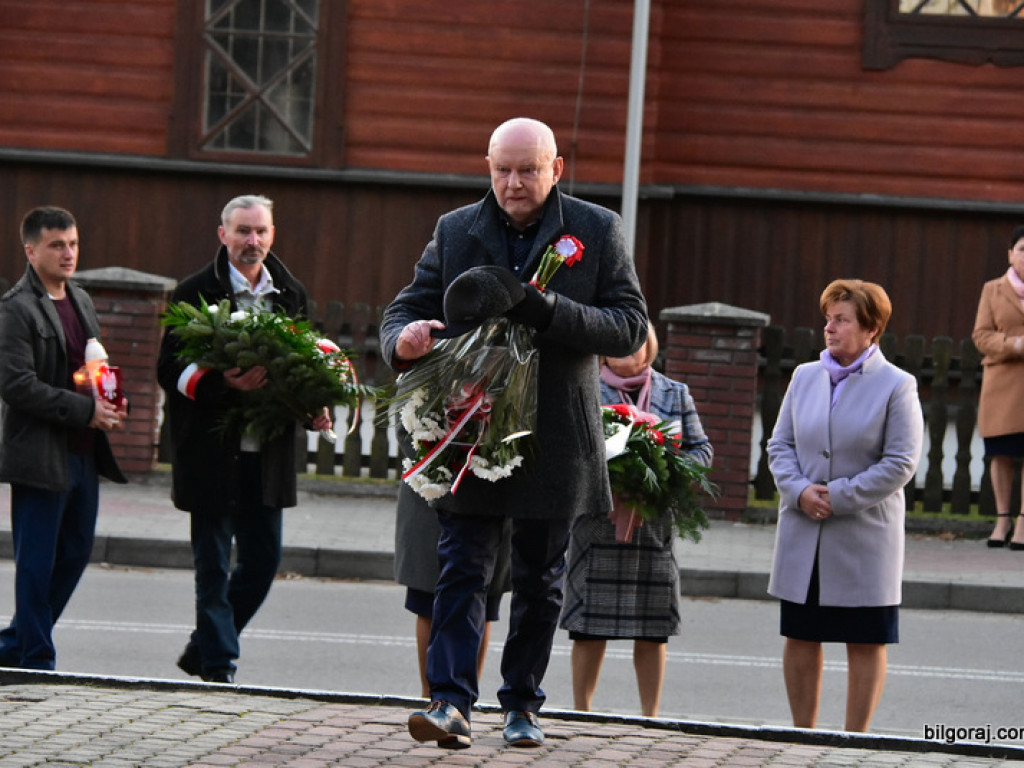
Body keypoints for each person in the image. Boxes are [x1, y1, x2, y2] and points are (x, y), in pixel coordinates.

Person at [380, 117, 648, 749]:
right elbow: (403, 309)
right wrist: (405, 339)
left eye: (529, 169)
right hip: (472, 430)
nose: (514, 182)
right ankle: (448, 704)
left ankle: (522, 706)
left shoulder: (597, 229)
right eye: (502, 169)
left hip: (557, 435)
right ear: (488, 166)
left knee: (539, 578)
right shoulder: (456, 230)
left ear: (556, 169)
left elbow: (629, 327)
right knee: (460, 568)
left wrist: (546, 310)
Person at [156, 194, 331, 684]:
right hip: (211, 452)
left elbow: (303, 365)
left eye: (261, 232)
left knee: (262, 561)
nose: (252, 242)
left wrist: (311, 404)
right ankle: (219, 665)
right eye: (242, 232)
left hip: (267, 453)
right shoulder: (194, 292)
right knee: (211, 565)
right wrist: (221, 384)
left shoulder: (290, 292)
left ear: (272, 234)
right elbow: (168, 368)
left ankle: (205, 647)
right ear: (223, 235)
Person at [767, 279, 923, 733]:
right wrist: (798, 490)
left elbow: (900, 462)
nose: (829, 328)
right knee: (801, 632)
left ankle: (856, 738)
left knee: (865, 638)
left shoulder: (897, 385)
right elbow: (780, 445)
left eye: (841, 320)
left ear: (871, 328)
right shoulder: (803, 376)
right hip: (803, 528)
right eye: (827, 318)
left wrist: (837, 496)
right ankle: (803, 735)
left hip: (863, 534)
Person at [560, 323, 712, 718]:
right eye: (620, 345)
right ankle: (582, 711)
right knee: (590, 626)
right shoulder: (584, 388)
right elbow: (568, 448)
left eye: (637, 344)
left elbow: (702, 450)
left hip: (652, 525)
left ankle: (650, 714)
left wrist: (670, 473)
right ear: (605, 351)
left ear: (650, 347)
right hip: (597, 525)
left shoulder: (674, 394)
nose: (630, 351)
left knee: (653, 628)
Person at [0, 206, 128, 670]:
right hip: (39, 454)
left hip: (84, 453)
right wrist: (84, 409)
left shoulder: (82, 300)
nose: (68, 253)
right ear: (31, 251)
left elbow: (89, 367)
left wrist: (109, 400)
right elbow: (16, 384)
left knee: (74, 555)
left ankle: (15, 643)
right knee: (36, 562)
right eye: (57, 245)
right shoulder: (15, 309)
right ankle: (36, 657)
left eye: (72, 243)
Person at [394, 480, 511, 697]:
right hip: (432, 485)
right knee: (428, 598)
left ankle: (464, 702)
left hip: (494, 488)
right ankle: (431, 699)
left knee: (484, 602)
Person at [972, 225, 1024, 550]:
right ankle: (1002, 518)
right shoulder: (992, 290)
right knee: (1001, 453)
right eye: (1022, 249)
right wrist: (1015, 345)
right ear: (1010, 254)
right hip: (1003, 383)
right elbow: (981, 335)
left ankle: (1023, 524)